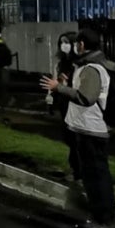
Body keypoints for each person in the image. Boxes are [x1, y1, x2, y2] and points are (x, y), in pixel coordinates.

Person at [40, 29, 115, 228]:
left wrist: (59, 88)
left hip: (92, 130)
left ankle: (105, 219)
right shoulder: (87, 65)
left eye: (76, 43)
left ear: (81, 44)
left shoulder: (92, 67)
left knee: (97, 178)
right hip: (86, 129)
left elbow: (87, 97)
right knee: (94, 176)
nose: (74, 46)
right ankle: (100, 216)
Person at [49, 31, 81, 182]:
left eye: (67, 42)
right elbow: (54, 83)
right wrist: (51, 101)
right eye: (62, 42)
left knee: (76, 139)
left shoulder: (79, 63)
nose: (64, 45)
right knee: (69, 137)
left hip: (76, 104)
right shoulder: (60, 63)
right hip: (64, 103)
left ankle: (78, 171)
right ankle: (75, 169)